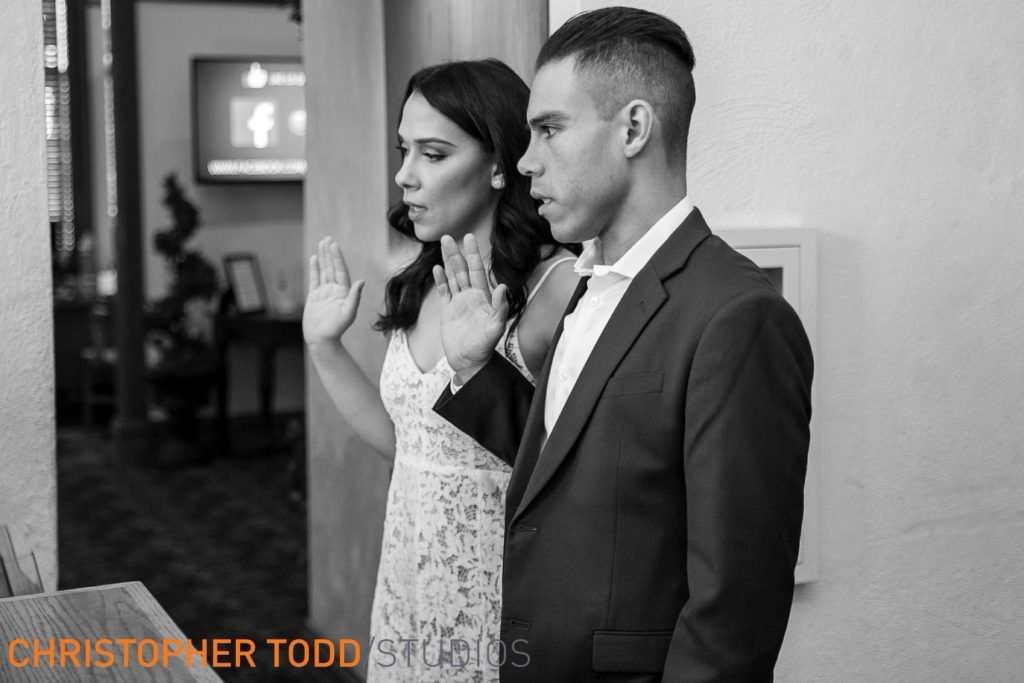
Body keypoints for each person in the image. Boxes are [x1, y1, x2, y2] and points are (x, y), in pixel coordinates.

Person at [431, 8, 814, 681]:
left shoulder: (738, 317)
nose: (524, 161)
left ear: (634, 128)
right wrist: (475, 372)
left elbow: (735, 611)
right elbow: (579, 465)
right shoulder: (592, 282)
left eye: (549, 129)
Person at [302, 59, 577, 682]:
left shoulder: (555, 287)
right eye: (404, 151)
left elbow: (568, 474)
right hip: (409, 583)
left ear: (500, 163)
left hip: (494, 600)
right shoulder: (426, 279)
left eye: (432, 153)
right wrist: (324, 347)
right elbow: (412, 448)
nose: (405, 176)